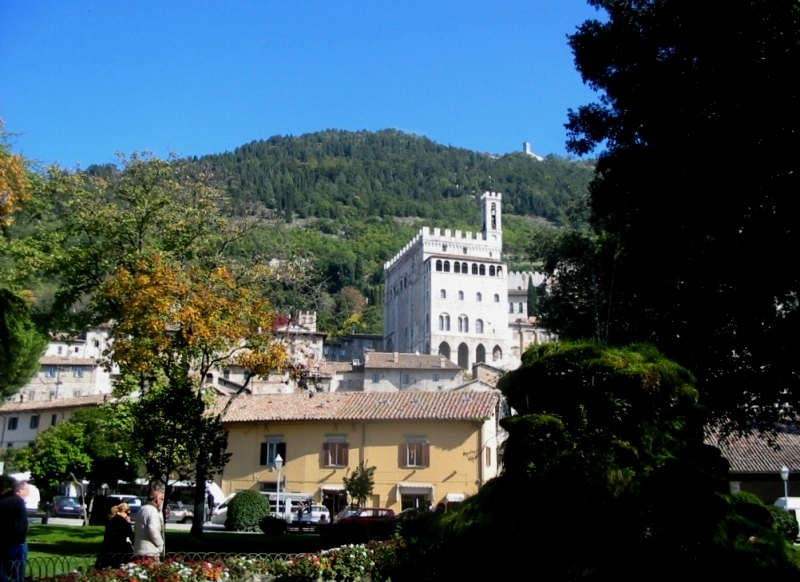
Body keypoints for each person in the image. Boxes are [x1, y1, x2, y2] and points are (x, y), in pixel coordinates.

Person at [0, 480, 29, 582]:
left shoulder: (3, 502)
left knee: (3, 569)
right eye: (27, 490)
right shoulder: (19, 502)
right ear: (20, 491)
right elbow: (22, 524)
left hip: (4, 541)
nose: (28, 493)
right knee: (17, 572)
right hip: (16, 542)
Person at [96, 503, 134, 569]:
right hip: (119, 548)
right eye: (127, 514)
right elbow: (129, 533)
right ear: (123, 512)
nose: (128, 516)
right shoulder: (122, 521)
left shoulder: (111, 519)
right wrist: (128, 523)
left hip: (107, 547)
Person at [133, 490, 165, 560]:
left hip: (138, 550)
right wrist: (160, 544)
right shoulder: (153, 510)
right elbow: (153, 530)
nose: (162, 501)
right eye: (162, 499)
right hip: (150, 551)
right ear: (157, 500)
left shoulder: (142, 509)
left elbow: (136, 527)